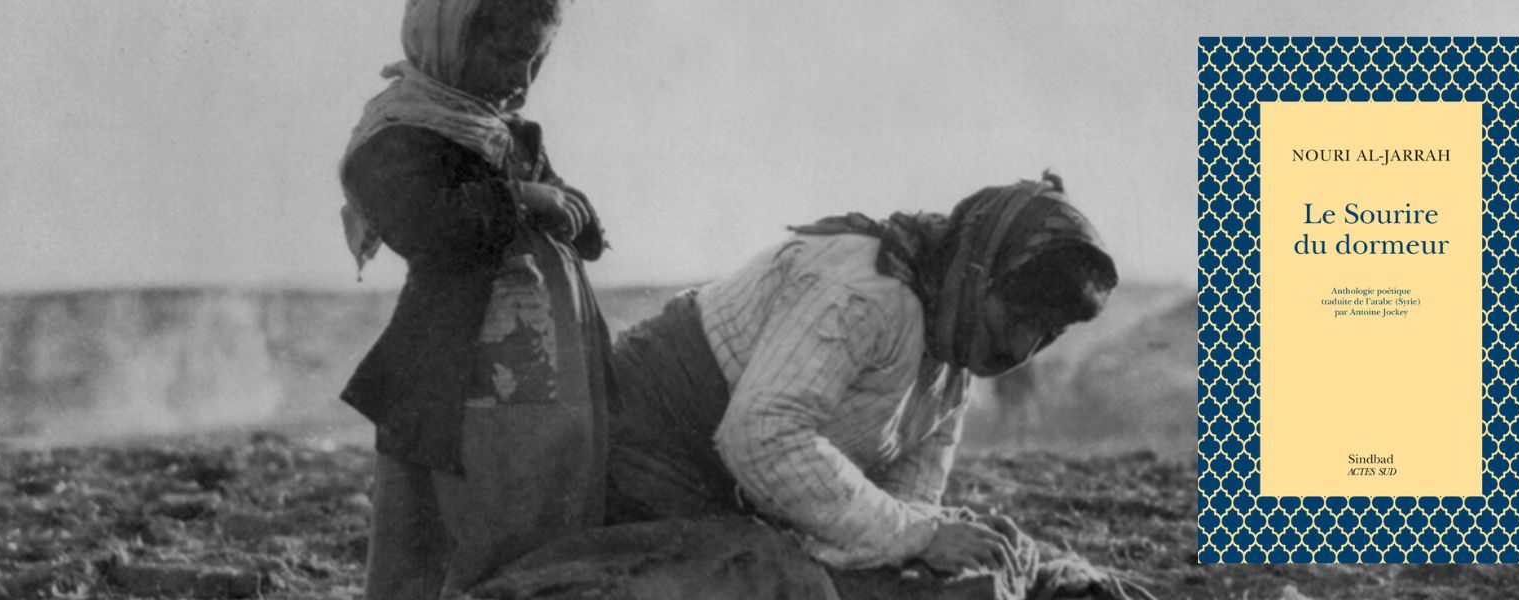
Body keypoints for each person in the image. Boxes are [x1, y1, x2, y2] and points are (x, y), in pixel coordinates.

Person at [466, 173, 1143, 600]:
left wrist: (927, 545)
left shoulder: (950, 364)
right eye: (1019, 317)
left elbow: (898, 508)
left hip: (745, 491)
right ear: (976, 274)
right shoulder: (866, 293)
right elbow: (760, 436)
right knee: (772, 577)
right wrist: (915, 537)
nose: (1022, 348)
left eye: (1048, 335)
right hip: (643, 458)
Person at [334, 1, 612, 597]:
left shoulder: (503, 132)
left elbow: (564, 206)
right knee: (445, 530)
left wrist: (578, 215)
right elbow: (428, 229)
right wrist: (523, 199)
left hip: (533, 377)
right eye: (509, 56)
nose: (524, 77)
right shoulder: (396, 135)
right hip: (457, 374)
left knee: (537, 515)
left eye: (536, 60)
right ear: (449, 43)